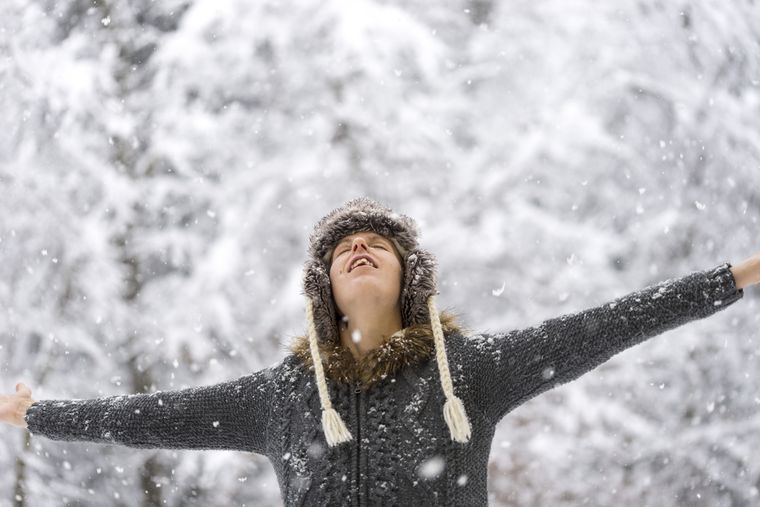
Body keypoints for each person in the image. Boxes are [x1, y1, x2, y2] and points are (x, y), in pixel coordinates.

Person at [1, 197, 758, 506]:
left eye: (377, 244)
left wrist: (735, 278)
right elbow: (149, 417)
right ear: (324, 288)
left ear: (408, 275)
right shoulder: (280, 396)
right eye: (342, 250)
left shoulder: (470, 369)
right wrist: (39, 413)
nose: (358, 248)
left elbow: (609, 323)